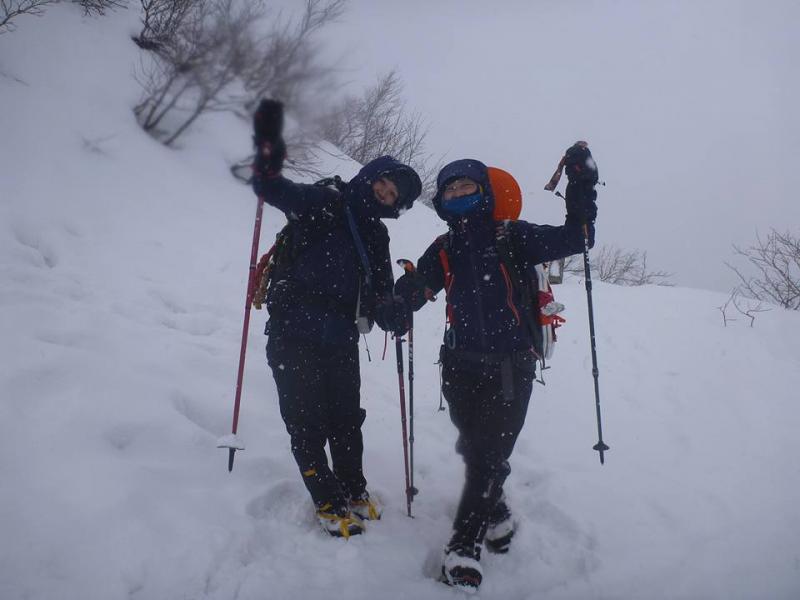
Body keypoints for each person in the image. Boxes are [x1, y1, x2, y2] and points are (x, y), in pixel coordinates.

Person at [394, 143, 599, 591]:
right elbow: (420, 288)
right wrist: (400, 299)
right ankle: (497, 510)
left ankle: (464, 547)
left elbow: (578, 238)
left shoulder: (513, 236)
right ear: (441, 199)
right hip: (458, 366)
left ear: (484, 192)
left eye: (466, 185)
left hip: (511, 366)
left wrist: (581, 184)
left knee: (487, 454)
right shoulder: (443, 247)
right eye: (450, 188)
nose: (457, 193)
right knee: (476, 449)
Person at [250, 99, 421, 538]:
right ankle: (326, 500)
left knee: (346, 419)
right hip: (292, 333)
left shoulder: (377, 234)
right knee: (306, 422)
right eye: (383, 184)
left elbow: (381, 294)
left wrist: (393, 313)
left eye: (392, 196)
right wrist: (267, 152)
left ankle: (353, 488)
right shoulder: (324, 202)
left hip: (341, 337)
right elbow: (273, 189)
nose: (383, 195)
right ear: (371, 176)